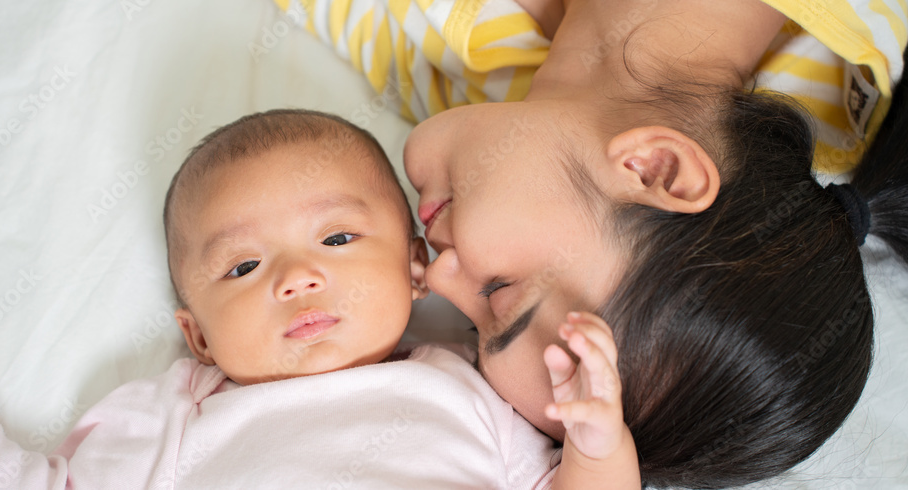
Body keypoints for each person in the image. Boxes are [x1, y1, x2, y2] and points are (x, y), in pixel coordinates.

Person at [273, 0, 908, 487]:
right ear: (655, 170)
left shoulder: (462, 88)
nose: (434, 279)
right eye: (499, 293)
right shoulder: (854, 59)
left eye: (471, 327)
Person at [0, 109, 641, 489]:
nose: (295, 279)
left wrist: (598, 446)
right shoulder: (176, 416)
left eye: (337, 239)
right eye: (244, 266)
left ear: (416, 268)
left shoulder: (470, 399)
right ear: (197, 338)